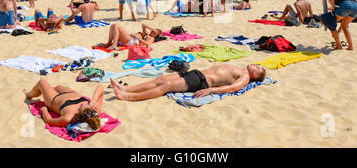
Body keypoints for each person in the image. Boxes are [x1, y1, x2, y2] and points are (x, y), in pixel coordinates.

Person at [110, 63, 266, 102]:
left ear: (254, 75)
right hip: (197, 73)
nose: (256, 65)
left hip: (201, 81)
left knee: (166, 86)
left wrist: (210, 90)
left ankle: (130, 97)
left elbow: (232, 88)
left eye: (258, 68)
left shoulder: (245, 77)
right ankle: (128, 88)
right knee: (161, 79)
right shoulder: (242, 70)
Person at [23, 78, 104, 129]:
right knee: (58, 87)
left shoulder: (68, 118)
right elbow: (101, 87)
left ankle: (29, 94)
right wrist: (94, 99)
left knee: (42, 82)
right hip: (71, 93)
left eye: (81, 107)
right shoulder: (95, 111)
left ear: (79, 115)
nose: (82, 104)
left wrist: (44, 110)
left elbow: (49, 120)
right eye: (87, 104)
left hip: (54, 99)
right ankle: (49, 89)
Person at [96, 23, 162, 51]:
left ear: (156, 36)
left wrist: (138, 38)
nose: (152, 32)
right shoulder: (146, 33)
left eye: (154, 33)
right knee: (113, 26)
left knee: (116, 25)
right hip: (128, 39)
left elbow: (147, 44)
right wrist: (152, 28)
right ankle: (109, 43)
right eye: (152, 30)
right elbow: (143, 24)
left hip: (132, 41)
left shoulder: (152, 38)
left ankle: (114, 45)